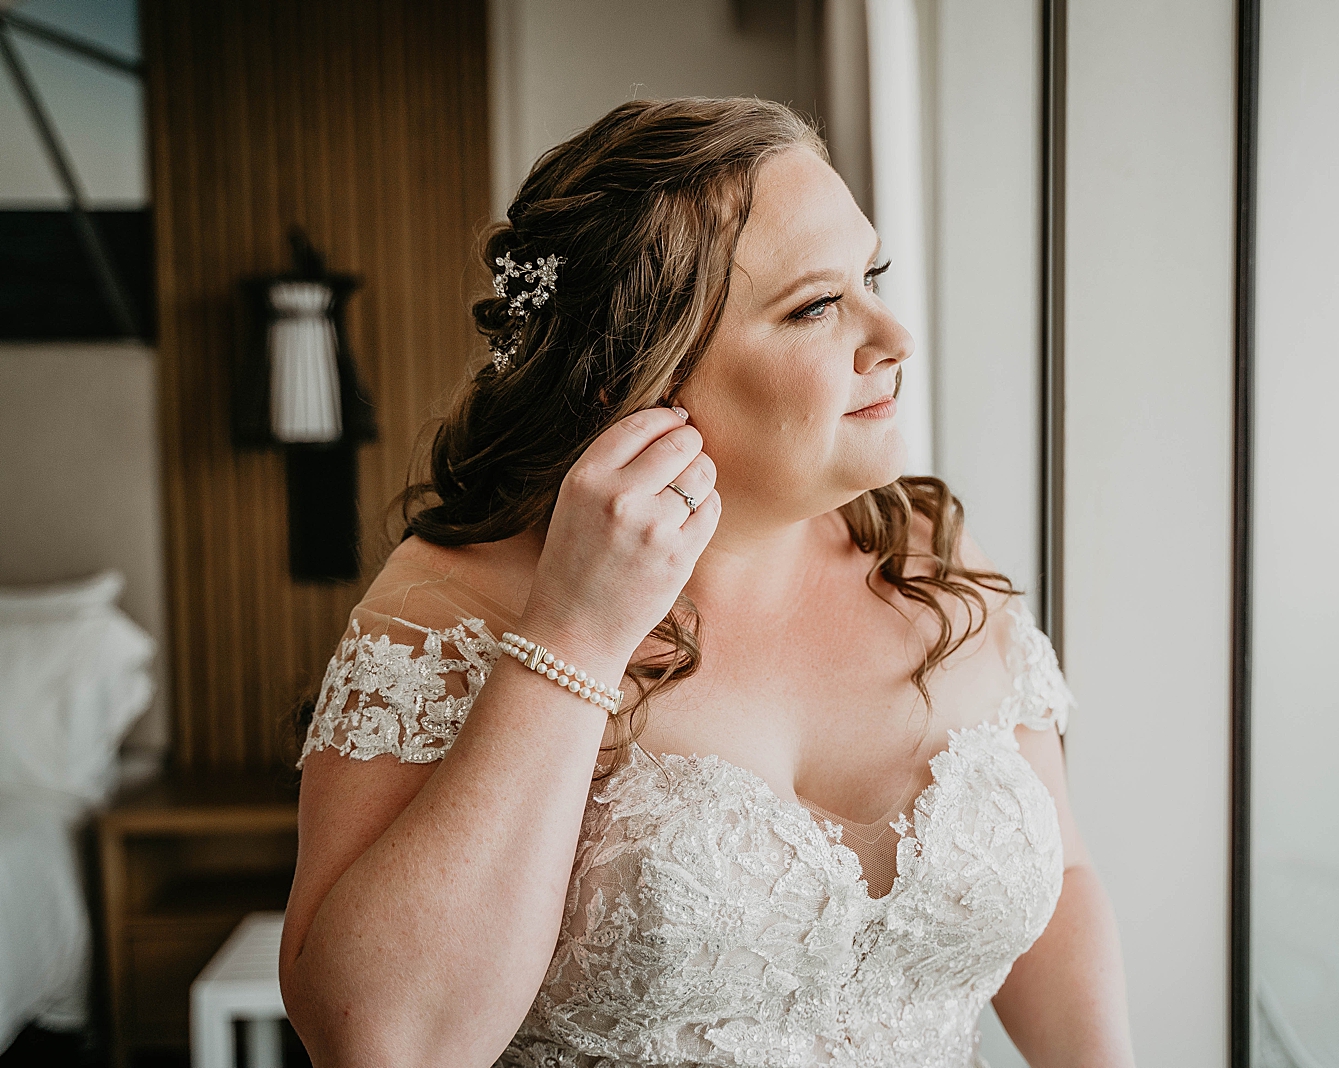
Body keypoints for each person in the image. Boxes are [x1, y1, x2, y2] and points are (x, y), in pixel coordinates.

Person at [279, 96, 1135, 1068]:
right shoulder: (443, 614)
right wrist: (574, 636)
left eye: (871, 276)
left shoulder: (931, 559)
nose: (895, 335)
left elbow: (1059, 886)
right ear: (634, 377)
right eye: (816, 307)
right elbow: (384, 1043)